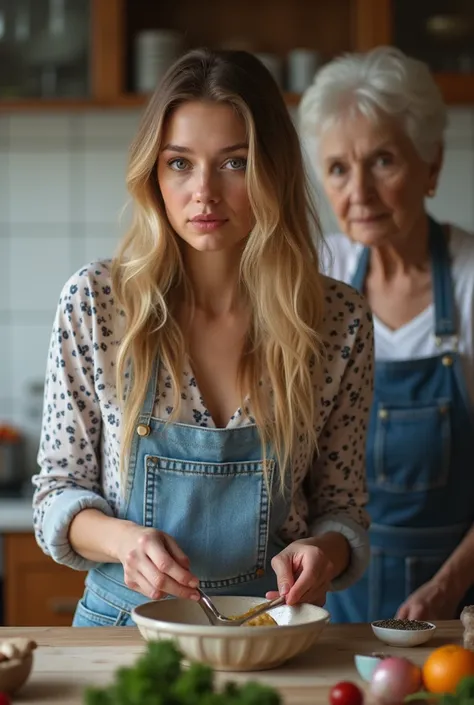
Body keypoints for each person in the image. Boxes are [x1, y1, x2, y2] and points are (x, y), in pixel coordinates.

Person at [32, 48, 374, 628]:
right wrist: (124, 542)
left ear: (274, 171)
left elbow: (342, 509)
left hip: (268, 634)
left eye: (235, 163)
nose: (204, 193)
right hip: (123, 633)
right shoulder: (96, 304)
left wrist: (325, 553)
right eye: (180, 163)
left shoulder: (337, 322)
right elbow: (54, 497)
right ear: (153, 173)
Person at [299, 45, 474, 623]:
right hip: (329, 591)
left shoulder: (472, 281)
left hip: (457, 600)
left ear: (432, 165)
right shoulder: (315, 279)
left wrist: (448, 589)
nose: (360, 194)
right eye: (338, 169)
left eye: (383, 161)